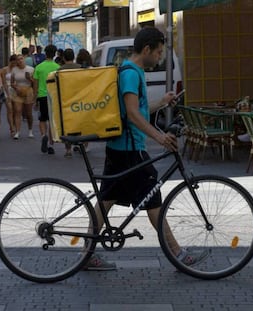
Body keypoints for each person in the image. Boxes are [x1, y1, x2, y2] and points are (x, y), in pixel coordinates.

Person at [83, 27, 209, 270]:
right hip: (131, 151)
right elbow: (131, 114)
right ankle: (179, 255)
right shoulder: (131, 74)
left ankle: (85, 254)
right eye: (159, 52)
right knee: (153, 202)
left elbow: (137, 110)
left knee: (106, 200)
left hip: (121, 148)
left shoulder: (134, 71)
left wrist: (161, 102)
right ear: (147, 49)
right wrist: (160, 137)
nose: (160, 57)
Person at [33, 44, 60, 154]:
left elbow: (35, 85)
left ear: (45, 53)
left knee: (42, 119)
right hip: (54, 96)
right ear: (54, 54)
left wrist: (35, 99)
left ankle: (43, 135)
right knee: (51, 121)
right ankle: (50, 144)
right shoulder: (58, 68)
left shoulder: (39, 67)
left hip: (42, 96)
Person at [57, 48, 81, 158]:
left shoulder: (59, 70)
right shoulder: (80, 68)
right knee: (80, 122)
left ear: (63, 57)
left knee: (67, 125)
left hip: (65, 100)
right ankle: (82, 145)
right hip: (79, 99)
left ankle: (68, 149)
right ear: (73, 57)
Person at [10, 54, 35, 139]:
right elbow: (12, 82)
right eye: (18, 59)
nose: (20, 61)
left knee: (28, 113)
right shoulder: (14, 70)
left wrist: (29, 78)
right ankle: (17, 132)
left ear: (24, 59)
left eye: (21, 59)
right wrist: (16, 87)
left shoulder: (30, 69)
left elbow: (34, 83)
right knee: (17, 111)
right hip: (18, 91)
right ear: (16, 61)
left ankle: (30, 130)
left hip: (28, 90)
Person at [1, 54, 18, 137]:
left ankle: (15, 126)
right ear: (10, 61)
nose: (14, 64)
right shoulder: (4, 70)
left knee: (15, 110)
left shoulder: (17, 70)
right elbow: (3, 82)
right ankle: (11, 128)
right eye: (13, 62)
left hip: (15, 90)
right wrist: (7, 93)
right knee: (10, 110)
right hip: (7, 89)